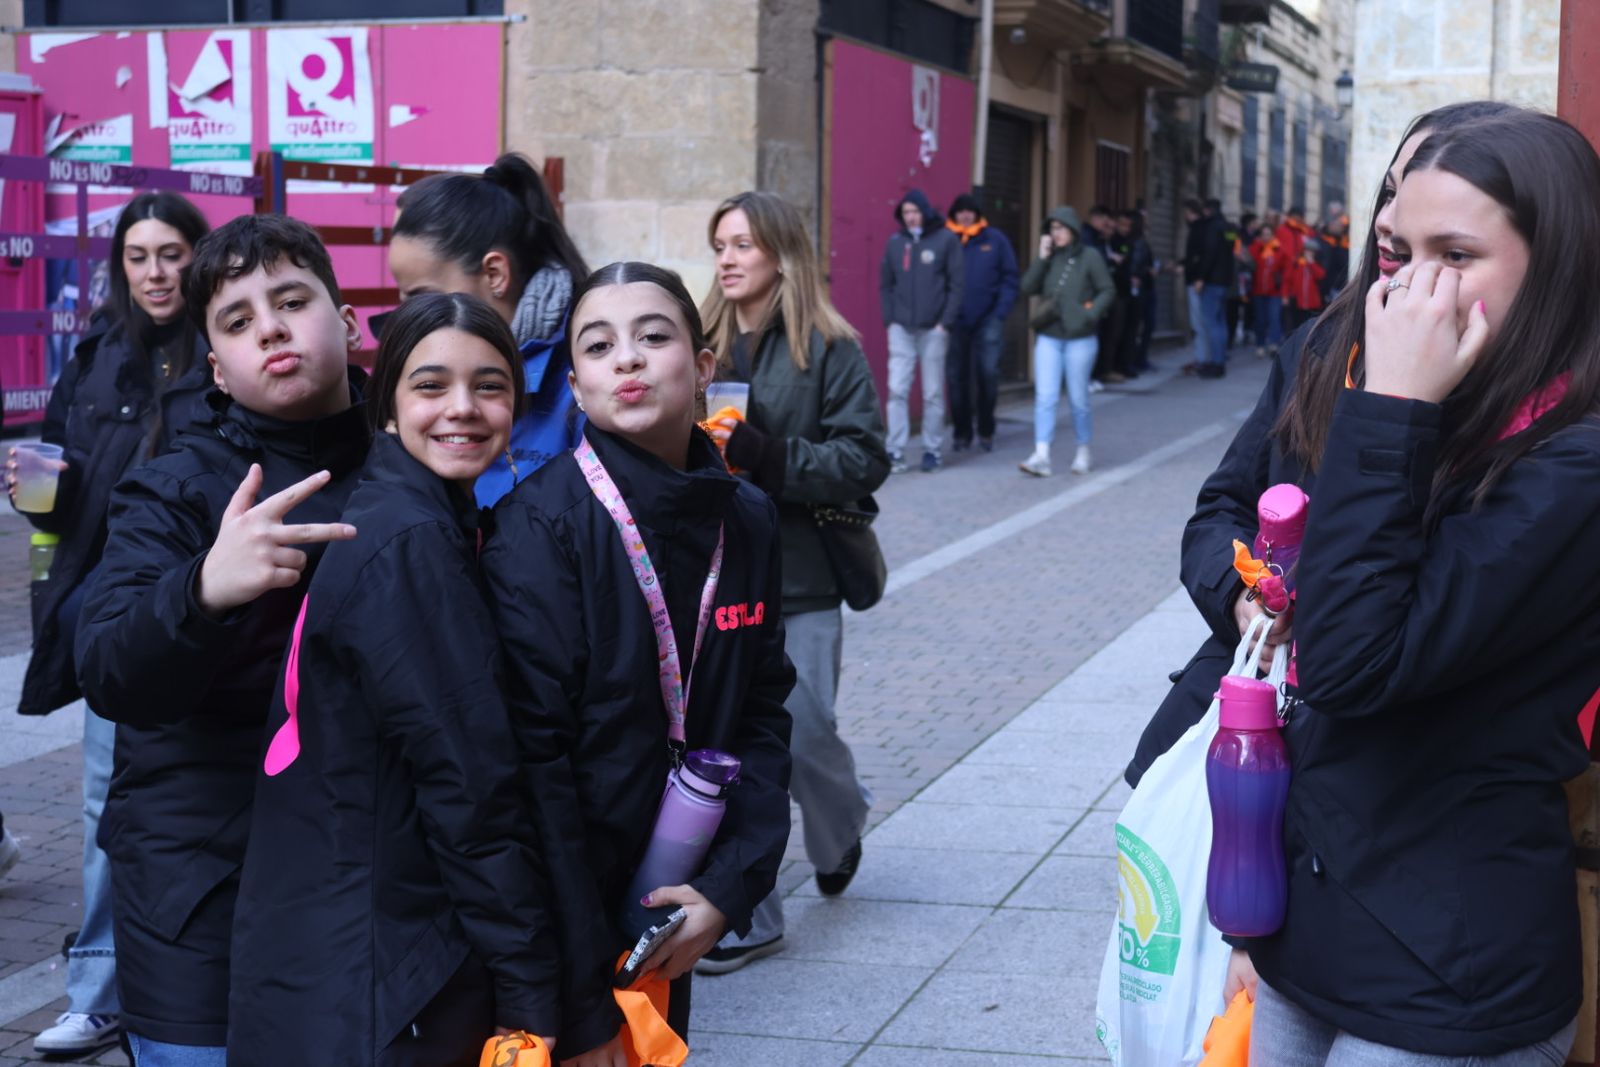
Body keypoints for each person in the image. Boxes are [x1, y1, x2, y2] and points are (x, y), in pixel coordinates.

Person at [1121, 97, 1535, 1046]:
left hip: (1388, 828)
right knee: (1180, 994)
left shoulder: (1518, 415)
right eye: (1393, 198)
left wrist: (1400, 408)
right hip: (1246, 725)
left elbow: (1390, 633)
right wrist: (1243, 599)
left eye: (1450, 238)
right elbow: (1218, 511)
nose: (1396, 230)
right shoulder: (1319, 344)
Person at [1235, 106, 1600, 1064]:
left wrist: (1394, 404)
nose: (1409, 285)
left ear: (1553, 266)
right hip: (1311, 919)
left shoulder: (1572, 462)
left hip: (1448, 964)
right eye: (1398, 252)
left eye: (1457, 254)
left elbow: (1351, 662)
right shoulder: (1434, 404)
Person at [229, 294, 560, 1066]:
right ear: (386, 407)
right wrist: (531, 986)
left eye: (490, 385)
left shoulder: (399, 511)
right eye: (431, 385)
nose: (463, 407)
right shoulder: (410, 542)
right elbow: (470, 790)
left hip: (335, 959)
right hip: (382, 975)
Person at [75, 214, 369, 1067]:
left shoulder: (409, 469)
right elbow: (109, 668)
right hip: (203, 903)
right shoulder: (174, 489)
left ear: (347, 322)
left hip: (364, 894)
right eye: (238, 320)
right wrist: (203, 589)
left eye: (292, 301)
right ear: (216, 367)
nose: (270, 328)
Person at [482, 262, 794, 1063]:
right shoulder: (536, 526)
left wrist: (729, 887)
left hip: (676, 890)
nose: (627, 358)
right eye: (598, 346)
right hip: (561, 915)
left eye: (653, 336)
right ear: (576, 387)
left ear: (704, 365)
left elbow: (762, 708)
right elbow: (530, 767)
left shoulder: (748, 518)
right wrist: (578, 1003)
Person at [7, 192, 211, 1057]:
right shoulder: (96, 353)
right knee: (104, 801)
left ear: (198, 257)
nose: (156, 273)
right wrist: (37, 491)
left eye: (171, 253)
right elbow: (62, 484)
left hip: (203, 606)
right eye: (138, 256)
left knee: (198, 797)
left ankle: (190, 986)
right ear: (120, 266)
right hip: (109, 610)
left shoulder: (222, 346)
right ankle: (98, 991)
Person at [696, 191, 887, 972]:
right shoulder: (700, 340)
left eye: (742, 243)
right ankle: (752, 912)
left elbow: (865, 457)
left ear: (781, 253)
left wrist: (767, 456)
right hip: (714, 575)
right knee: (732, 746)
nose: (727, 258)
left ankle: (840, 824)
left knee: (806, 732)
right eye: (719, 244)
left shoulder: (829, 347)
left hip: (801, 575)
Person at [388, 153, 589, 505]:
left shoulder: (586, 373)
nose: (409, 316)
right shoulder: (408, 376)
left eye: (423, 296)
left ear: (495, 274)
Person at [1018, 206, 1114, 477]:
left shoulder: (1090, 256)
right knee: (1045, 397)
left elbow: (1107, 290)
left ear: (1072, 230)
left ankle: (1083, 450)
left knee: (1078, 398)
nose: (1056, 233)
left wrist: (1089, 315)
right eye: (1052, 229)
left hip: (1080, 338)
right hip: (1049, 336)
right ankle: (1041, 454)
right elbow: (1027, 287)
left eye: (1060, 228)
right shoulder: (1049, 258)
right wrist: (1041, 257)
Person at [878, 189, 962, 473]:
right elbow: (886, 284)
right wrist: (890, 319)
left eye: (914, 211)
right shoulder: (895, 243)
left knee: (932, 393)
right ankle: (895, 450)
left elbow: (956, 285)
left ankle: (932, 450)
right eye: (905, 213)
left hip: (933, 330)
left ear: (925, 211)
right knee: (897, 390)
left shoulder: (945, 240)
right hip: (901, 328)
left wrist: (944, 323)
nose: (910, 217)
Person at [943, 192, 1019, 450]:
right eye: (960, 211)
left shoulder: (995, 240)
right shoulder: (946, 240)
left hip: (989, 318)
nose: (965, 215)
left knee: (988, 373)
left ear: (977, 214)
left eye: (970, 211)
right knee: (957, 377)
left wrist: (1000, 312)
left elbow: (1010, 277)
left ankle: (986, 429)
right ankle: (961, 432)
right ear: (954, 214)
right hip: (954, 320)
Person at [1112, 209, 1155, 378]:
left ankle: (1127, 363)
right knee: (1127, 328)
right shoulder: (1134, 242)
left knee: (1131, 327)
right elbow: (1135, 265)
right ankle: (1125, 364)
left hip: (1133, 289)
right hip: (1130, 290)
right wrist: (1137, 275)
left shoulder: (1134, 241)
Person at [1249, 212, 1287, 357]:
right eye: (1263, 234)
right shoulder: (1256, 248)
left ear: (1273, 235)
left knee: (1274, 318)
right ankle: (1260, 344)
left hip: (1274, 292)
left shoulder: (1279, 250)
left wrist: (1284, 292)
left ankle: (1273, 344)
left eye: (1268, 234)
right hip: (1258, 291)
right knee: (1260, 319)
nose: (1266, 237)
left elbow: (1285, 272)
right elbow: (1249, 261)